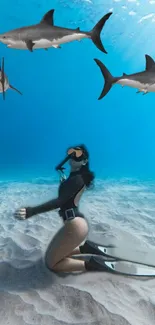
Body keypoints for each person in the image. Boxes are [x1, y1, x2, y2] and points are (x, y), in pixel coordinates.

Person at [14, 144, 100, 273]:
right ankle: (86, 249)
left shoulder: (77, 179)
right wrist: (63, 183)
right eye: (71, 153)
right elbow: (68, 196)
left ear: (84, 161)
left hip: (74, 226)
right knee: (58, 253)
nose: (73, 156)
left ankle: (93, 265)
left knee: (52, 263)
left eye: (78, 154)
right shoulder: (75, 178)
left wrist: (32, 211)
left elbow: (59, 202)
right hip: (76, 224)